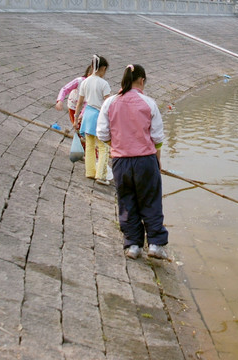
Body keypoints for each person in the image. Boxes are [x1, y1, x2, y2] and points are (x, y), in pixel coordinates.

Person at [97, 64, 169, 260]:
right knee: (151, 201)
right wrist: (158, 161)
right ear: (142, 80)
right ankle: (155, 244)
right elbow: (158, 137)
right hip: (146, 161)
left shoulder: (110, 102)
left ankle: (133, 246)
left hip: (121, 162)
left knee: (127, 202)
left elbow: (102, 133)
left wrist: (119, 145)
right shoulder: (149, 103)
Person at [74, 55, 111, 185]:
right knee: (103, 147)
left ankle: (90, 172)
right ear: (103, 68)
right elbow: (108, 104)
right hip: (99, 116)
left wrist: (75, 118)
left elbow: (79, 102)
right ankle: (101, 175)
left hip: (87, 115)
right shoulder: (104, 84)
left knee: (89, 146)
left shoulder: (86, 81)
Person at [55, 64, 92, 128]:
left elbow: (88, 102)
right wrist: (60, 100)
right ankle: (78, 134)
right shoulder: (79, 81)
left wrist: (82, 114)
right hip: (73, 106)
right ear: (89, 75)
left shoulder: (94, 86)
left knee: (84, 124)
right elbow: (65, 89)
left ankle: (81, 135)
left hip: (85, 107)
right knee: (77, 125)